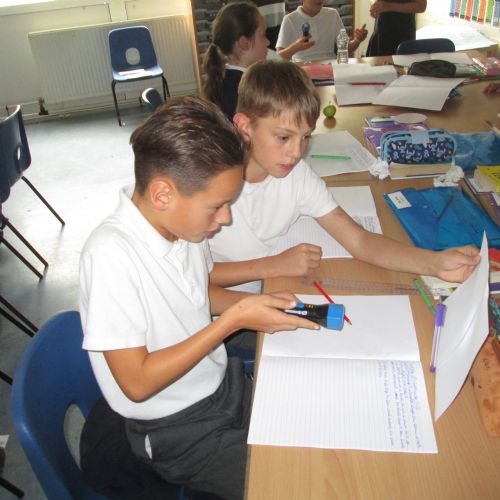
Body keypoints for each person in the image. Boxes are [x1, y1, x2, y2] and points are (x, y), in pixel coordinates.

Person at [79, 96, 319, 500]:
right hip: (178, 432)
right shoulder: (110, 257)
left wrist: (259, 305)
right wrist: (235, 319)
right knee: (299, 483)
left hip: (221, 386)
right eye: (217, 206)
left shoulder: (181, 227)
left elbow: (198, 293)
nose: (225, 218)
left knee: (317, 429)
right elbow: (136, 383)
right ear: (163, 194)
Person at [208, 60, 480, 297]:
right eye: (283, 137)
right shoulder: (209, 183)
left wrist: (434, 263)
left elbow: (359, 241)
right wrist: (272, 266)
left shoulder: (295, 173)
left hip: (267, 290)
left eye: (305, 137)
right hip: (222, 305)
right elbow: (191, 277)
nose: (296, 152)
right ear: (244, 126)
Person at [202, 1, 269, 121]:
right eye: (263, 35)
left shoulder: (226, 79)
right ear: (244, 43)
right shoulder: (246, 89)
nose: (268, 42)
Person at [276, 0, 368, 62]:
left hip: (330, 67)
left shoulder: (332, 14)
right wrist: (295, 47)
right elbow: (278, 57)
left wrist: (357, 40)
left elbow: (346, 48)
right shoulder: (290, 19)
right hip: (302, 70)